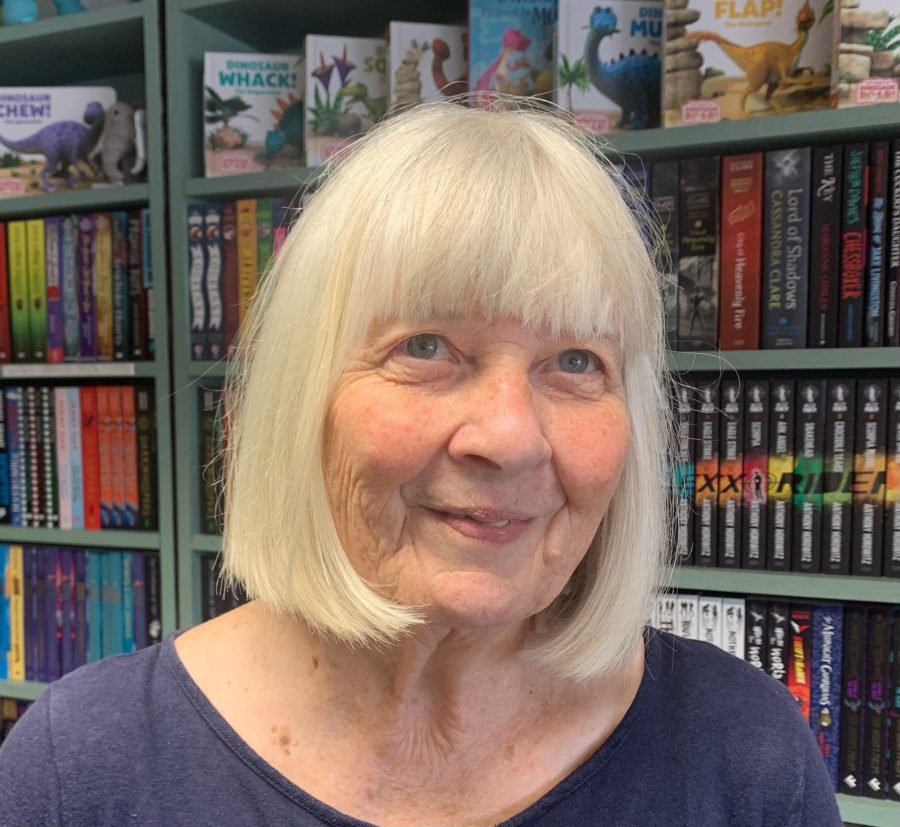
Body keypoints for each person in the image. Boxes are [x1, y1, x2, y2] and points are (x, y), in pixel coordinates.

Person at [0, 101, 840, 827]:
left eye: (577, 361)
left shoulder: (746, 755)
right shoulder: (83, 770)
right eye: (426, 347)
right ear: (304, 398)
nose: (509, 437)